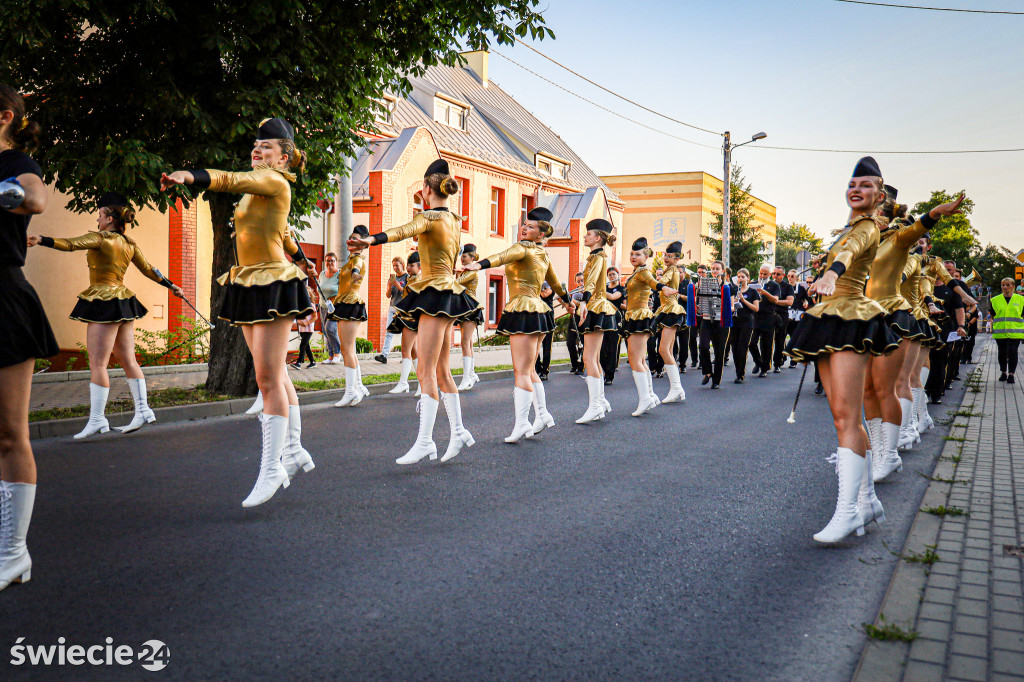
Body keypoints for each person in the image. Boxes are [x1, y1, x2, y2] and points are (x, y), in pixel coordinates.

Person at [160, 117, 317, 507]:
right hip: (248, 280)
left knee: (266, 379)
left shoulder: (273, 181)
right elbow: (280, 233)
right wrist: (305, 260)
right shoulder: (260, 191)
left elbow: (230, 180)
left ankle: (271, 468)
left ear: (283, 158)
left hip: (272, 283)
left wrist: (192, 176)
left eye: (266, 147)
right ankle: (295, 449)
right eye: (256, 145)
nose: (257, 151)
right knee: (276, 374)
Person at [786, 156, 899, 544]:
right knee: (843, 415)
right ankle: (866, 501)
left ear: (879, 195)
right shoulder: (847, 228)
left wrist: (832, 273)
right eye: (854, 184)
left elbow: (852, 251)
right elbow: (842, 248)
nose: (857, 189)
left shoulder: (867, 227)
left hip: (851, 315)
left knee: (847, 417)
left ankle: (848, 512)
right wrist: (821, 277)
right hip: (832, 315)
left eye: (867, 185)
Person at [347, 158, 480, 464]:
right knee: (442, 369)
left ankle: (425, 442)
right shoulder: (455, 220)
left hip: (434, 294)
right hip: (447, 294)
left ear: (424, 189)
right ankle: (458, 431)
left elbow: (404, 229)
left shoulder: (431, 217)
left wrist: (370, 239)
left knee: (426, 369)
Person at [30, 193, 185, 437]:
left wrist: (42, 239)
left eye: (100, 215)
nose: (97, 220)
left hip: (102, 301)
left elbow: (70, 244)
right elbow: (148, 269)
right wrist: (171, 285)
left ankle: (97, 419)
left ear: (110, 218)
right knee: (128, 360)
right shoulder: (129, 244)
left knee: (98, 364)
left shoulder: (99, 238)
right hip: (123, 300)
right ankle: (143, 410)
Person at [0, 83, 59, 593]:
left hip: (2, 299)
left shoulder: (18, 161)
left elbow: (35, 198)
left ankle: (14, 553)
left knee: (8, 433)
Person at [863, 187, 965, 482]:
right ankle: (883, 449)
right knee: (869, 389)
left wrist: (935, 212)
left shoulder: (901, 246)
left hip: (900, 316)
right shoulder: (869, 243)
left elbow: (921, 283)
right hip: (871, 316)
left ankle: (896, 444)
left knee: (898, 381)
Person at [464, 207, 572, 441]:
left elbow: (501, 257)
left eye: (531, 226)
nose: (524, 228)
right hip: (539, 311)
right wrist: (568, 302)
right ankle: (542, 414)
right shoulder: (543, 254)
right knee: (530, 370)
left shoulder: (521, 248)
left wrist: (479, 265)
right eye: (524, 223)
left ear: (541, 234)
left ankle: (522, 423)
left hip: (523, 309)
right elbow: (556, 284)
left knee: (521, 371)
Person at [620, 238, 677, 415]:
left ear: (646, 256)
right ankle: (650, 395)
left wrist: (663, 288)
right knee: (641, 359)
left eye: (637, 254)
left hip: (639, 316)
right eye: (631, 254)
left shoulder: (643, 271)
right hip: (635, 316)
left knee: (635, 359)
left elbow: (653, 283)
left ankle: (645, 398)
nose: (633, 256)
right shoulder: (636, 272)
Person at [574, 219, 619, 424]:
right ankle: (600, 401)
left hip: (595, 306)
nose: (584, 236)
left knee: (589, 358)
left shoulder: (598, 257)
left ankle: (595, 407)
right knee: (593, 358)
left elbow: (590, 281)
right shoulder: (597, 256)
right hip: (596, 305)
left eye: (588, 234)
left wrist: (583, 301)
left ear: (597, 238)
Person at [330, 225, 371, 407]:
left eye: (355, 239)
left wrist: (355, 276)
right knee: (350, 349)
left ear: (362, 243)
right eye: (350, 238)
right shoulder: (350, 260)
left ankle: (350, 391)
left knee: (346, 349)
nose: (351, 241)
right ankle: (358, 387)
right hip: (344, 304)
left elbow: (357, 270)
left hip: (351, 304)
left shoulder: (357, 260)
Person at [687, 260, 732, 389]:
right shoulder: (703, 284)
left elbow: (731, 305)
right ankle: (707, 372)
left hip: (721, 322)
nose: (714, 271)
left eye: (717, 269)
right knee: (703, 346)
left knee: (719, 352)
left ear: (722, 271)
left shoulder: (728, 286)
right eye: (712, 269)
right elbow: (698, 300)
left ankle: (716, 380)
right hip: (706, 319)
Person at [653, 241, 687, 401]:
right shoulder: (671, 269)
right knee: (668, 350)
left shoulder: (672, 270)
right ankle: (676, 388)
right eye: (665, 255)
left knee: (664, 350)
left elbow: (658, 284)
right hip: (668, 310)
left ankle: (676, 387)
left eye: (669, 256)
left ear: (677, 258)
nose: (666, 258)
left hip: (671, 310)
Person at [387, 251, 420, 395]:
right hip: (408, 315)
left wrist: (400, 287)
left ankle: (403, 383)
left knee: (405, 350)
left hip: (411, 317)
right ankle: (422, 384)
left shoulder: (418, 279)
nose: (408, 268)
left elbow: (410, 296)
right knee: (413, 352)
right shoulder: (412, 278)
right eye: (408, 265)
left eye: (411, 266)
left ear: (419, 266)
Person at [455, 243, 483, 390]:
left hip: (470, 307)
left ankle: (467, 377)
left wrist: (455, 273)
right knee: (468, 342)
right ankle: (471, 374)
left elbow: (456, 284)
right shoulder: (466, 271)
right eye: (461, 256)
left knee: (465, 342)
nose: (462, 259)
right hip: (464, 306)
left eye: (464, 256)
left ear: (472, 257)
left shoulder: (472, 271)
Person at [374, 256, 407, 363]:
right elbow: (388, 296)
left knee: (404, 333)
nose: (395, 268)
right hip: (392, 307)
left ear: (402, 265)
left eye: (397, 265)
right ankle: (384, 355)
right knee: (389, 331)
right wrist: (389, 287)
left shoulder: (407, 277)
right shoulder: (392, 278)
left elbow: (408, 294)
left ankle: (405, 357)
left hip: (402, 308)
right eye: (393, 266)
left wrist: (399, 287)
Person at [749, 264, 780, 377]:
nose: (762, 276)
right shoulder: (753, 285)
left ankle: (764, 368)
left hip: (768, 317)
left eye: (765, 274)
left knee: (766, 345)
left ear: (770, 275)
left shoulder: (774, 285)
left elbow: (776, 300)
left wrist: (765, 292)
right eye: (760, 273)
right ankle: (759, 362)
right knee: (751, 342)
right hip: (755, 317)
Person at [730, 268, 760, 383]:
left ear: (748, 278)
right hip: (735, 322)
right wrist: (735, 301)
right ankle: (738, 370)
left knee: (742, 348)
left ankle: (740, 374)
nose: (740, 279)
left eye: (743, 277)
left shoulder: (753, 292)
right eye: (739, 277)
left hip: (747, 323)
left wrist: (743, 300)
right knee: (735, 349)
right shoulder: (734, 290)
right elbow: (731, 306)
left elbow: (756, 309)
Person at [992, 277, 1023, 383]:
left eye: (1008, 285)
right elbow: (992, 315)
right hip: (1000, 332)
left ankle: (1011, 374)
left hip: (1016, 331)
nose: (1005, 287)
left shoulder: (1021, 299)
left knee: (1013, 352)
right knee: (1002, 353)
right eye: (1003, 285)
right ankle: (1003, 372)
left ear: (1013, 286)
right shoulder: (995, 300)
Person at [601, 267, 626, 385]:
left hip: (615, 319)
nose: (611, 277)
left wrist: (598, 289)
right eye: (609, 275)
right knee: (601, 348)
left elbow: (612, 297)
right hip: (604, 319)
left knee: (612, 348)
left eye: (613, 274)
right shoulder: (605, 288)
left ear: (618, 275)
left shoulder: (621, 288)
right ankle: (606, 370)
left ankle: (609, 375)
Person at [318, 252, 342, 364]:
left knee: (330, 328)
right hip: (323, 306)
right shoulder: (322, 274)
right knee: (325, 331)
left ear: (336, 262)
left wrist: (334, 297)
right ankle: (331, 356)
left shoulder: (340, 274)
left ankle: (338, 352)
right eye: (328, 260)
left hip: (335, 307)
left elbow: (344, 291)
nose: (330, 263)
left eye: (332, 260)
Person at [770, 266, 795, 372]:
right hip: (769, 314)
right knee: (767, 339)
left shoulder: (787, 287)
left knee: (780, 339)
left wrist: (775, 301)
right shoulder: (769, 285)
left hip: (782, 315)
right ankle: (765, 363)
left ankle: (777, 363)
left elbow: (789, 302)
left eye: (778, 274)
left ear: (783, 276)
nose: (775, 276)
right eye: (773, 273)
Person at [292, 288, 317, 369]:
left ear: (309, 295)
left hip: (308, 329)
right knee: (306, 346)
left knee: (302, 345)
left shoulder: (311, 305)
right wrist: (298, 321)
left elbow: (315, 317)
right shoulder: (300, 305)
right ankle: (312, 362)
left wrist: (307, 323)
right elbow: (297, 316)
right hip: (302, 328)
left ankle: (299, 362)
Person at [566, 272, 585, 374]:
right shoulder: (575, 293)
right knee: (570, 342)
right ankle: (574, 364)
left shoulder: (588, 292)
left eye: (582, 280)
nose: (581, 283)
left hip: (584, 319)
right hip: (574, 319)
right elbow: (571, 304)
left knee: (583, 343)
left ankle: (581, 366)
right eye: (578, 281)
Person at [535, 281, 555, 380]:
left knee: (547, 347)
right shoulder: (538, 282)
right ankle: (537, 368)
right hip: (538, 317)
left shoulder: (550, 283)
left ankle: (545, 371)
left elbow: (545, 293)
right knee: (535, 346)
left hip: (548, 318)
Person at [687, 264, 706, 368]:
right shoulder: (694, 285)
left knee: (703, 339)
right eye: (699, 272)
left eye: (702, 272)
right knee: (692, 337)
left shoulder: (708, 284)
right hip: (695, 314)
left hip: (704, 315)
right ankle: (694, 360)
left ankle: (703, 362)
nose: (700, 274)